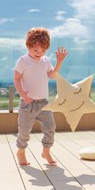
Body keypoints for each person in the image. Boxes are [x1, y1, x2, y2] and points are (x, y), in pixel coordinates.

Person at [13, 27, 68, 166]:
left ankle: (46, 151)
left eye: (43, 50)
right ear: (28, 46)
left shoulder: (45, 61)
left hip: (44, 103)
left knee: (50, 128)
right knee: (24, 131)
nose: (39, 53)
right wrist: (22, 94)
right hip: (28, 103)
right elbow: (16, 79)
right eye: (35, 49)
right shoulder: (23, 61)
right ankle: (21, 151)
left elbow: (52, 76)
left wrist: (59, 62)